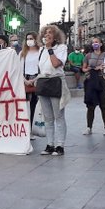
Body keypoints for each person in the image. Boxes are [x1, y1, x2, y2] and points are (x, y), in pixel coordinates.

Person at [31, 25, 69, 156]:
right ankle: (50, 144)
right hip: (43, 81)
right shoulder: (41, 50)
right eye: (45, 33)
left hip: (55, 81)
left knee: (58, 116)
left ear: (55, 36)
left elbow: (56, 64)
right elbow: (41, 67)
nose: (47, 35)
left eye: (50, 33)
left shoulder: (61, 48)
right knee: (47, 117)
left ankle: (60, 145)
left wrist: (50, 50)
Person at [82, 37, 105, 135]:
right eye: (93, 42)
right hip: (91, 81)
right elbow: (84, 69)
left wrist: (104, 68)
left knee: (103, 105)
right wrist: (92, 68)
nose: (95, 44)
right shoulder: (88, 55)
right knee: (91, 105)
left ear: (101, 44)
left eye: (96, 42)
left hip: (102, 80)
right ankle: (89, 127)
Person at [20, 32, 42, 136]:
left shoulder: (41, 52)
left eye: (31, 38)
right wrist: (25, 80)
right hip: (25, 79)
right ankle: (24, 129)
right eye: (28, 39)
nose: (29, 41)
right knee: (24, 106)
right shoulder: (22, 53)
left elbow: (43, 68)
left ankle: (31, 129)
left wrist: (35, 80)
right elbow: (18, 68)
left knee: (34, 105)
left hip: (37, 79)